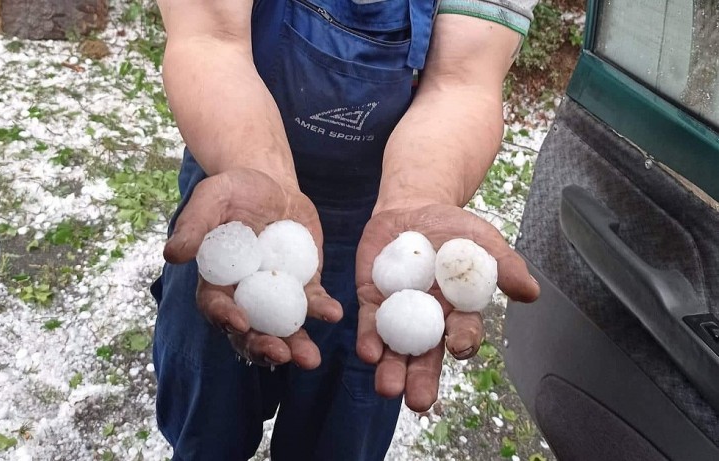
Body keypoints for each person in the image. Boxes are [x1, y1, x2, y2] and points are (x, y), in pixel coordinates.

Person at [150, 0, 541, 459]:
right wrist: (256, 167)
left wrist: (418, 194)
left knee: (339, 434)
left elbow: (461, 83)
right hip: (236, 194)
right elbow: (210, 38)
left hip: (377, 233)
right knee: (208, 420)